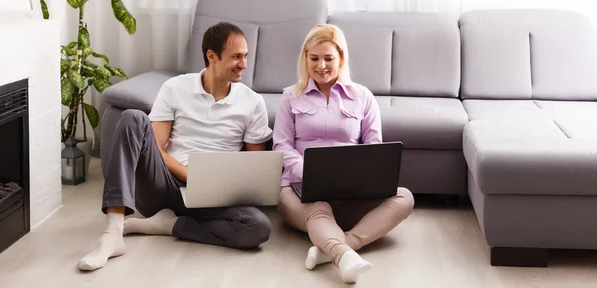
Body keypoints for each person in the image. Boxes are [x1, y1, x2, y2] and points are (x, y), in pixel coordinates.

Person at [78, 22, 273, 271]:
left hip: (215, 195)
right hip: (166, 186)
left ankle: (167, 225)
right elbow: (156, 147)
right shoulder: (176, 87)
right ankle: (113, 233)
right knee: (132, 117)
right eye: (236, 57)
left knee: (258, 227)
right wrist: (188, 174)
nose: (244, 65)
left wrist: (220, 185)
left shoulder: (252, 102)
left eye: (245, 56)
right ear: (212, 56)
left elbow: (253, 169)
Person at [273, 24, 415, 283]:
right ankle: (343, 257)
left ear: (341, 59)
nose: (321, 66)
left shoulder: (363, 97)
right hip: (299, 191)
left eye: (328, 58)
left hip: (350, 194)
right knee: (318, 208)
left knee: (404, 197)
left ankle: (333, 248)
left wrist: (366, 179)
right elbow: (281, 146)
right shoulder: (289, 97)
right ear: (305, 58)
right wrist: (310, 173)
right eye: (314, 58)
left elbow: (375, 148)